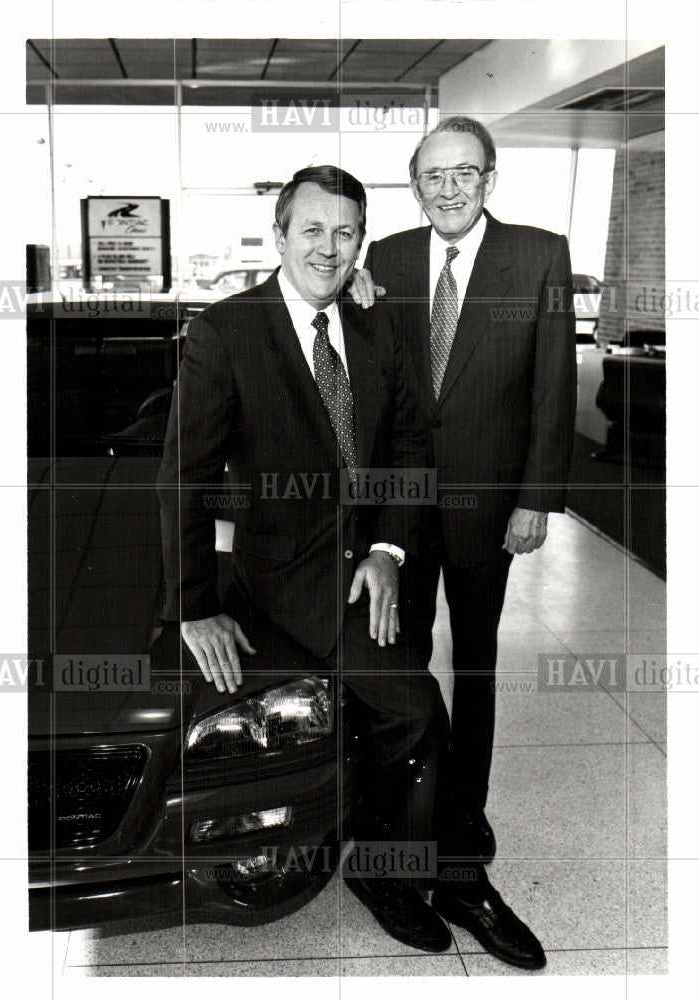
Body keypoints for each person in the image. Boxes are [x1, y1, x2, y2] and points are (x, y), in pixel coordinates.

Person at [157, 164, 452, 954]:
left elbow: (409, 443)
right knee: (415, 708)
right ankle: (383, 872)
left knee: (394, 710)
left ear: (363, 241)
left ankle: (364, 834)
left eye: (346, 231)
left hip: (376, 561)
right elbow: (180, 477)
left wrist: (388, 546)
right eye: (313, 230)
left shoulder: (374, 324)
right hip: (290, 572)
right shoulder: (225, 332)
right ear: (279, 234)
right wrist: (193, 603)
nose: (329, 248)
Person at [351, 116, 577, 969]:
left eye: (465, 173)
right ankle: (391, 837)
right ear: (415, 183)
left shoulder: (538, 255)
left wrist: (537, 501)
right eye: (433, 174)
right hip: (401, 512)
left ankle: (461, 841)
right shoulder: (389, 260)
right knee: (395, 671)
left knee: (473, 667)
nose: (448, 188)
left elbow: (553, 386)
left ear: (489, 178)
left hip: (491, 508)